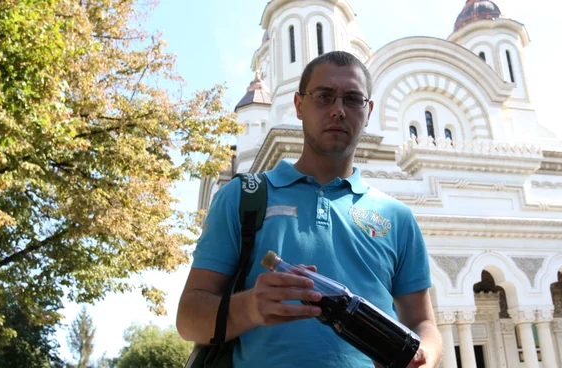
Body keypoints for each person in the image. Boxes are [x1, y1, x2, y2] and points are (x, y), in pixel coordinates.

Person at [176, 50, 442, 368]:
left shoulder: (397, 217)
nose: (338, 111)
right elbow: (189, 319)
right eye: (324, 96)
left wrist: (425, 353)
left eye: (353, 99)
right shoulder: (243, 197)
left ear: (368, 111)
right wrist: (249, 307)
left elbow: (423, 322)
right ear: (299, 105)